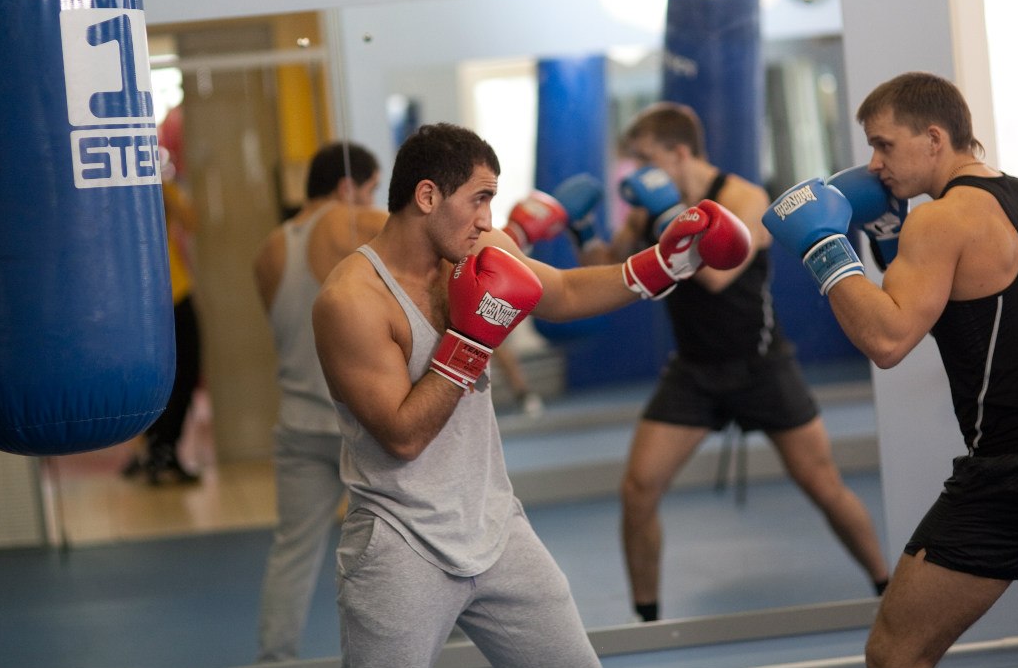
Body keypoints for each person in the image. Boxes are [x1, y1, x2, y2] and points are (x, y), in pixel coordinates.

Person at [311, 122, 752, 667]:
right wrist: (469, 341)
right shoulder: (352, 301)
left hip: (496, 528)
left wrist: (664, 265)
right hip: (401, 544)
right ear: (427, 196)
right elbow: (403, 437)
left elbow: (562, 291)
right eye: (479, 200)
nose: (488, 221)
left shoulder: (476, 249)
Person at [763, 72, 1018, 668]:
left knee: (895, 653)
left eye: (884, 144)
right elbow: (965, 307)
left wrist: (823, 246)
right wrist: (889, 241)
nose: (873, 165)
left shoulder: (939, 220)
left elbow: (887, 340)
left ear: (934, 138)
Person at [571, 101, 890, 623]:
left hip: (761, 364)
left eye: (647, 159)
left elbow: (719, 273)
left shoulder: (744, 196)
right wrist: (583, 231)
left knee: (822, 484)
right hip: (694, 369)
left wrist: (665, 216)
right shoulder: (646, 206)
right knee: (638, 487)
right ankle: (647, 621)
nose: (640, 175)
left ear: (679, 152)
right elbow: (605, 270)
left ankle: (886, 585)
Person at [252, 141, 387, 663]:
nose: (371, 202)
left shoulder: (268, 250)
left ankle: (275, 658)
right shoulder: (344, 221)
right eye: (371, 189)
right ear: (347, 187)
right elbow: (426, 234)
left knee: (293, 551)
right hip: (359, 421)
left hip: (297, 422)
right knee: (413, 539)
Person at [122, 167, 204, 485]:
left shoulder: (161, 185)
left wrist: (164, 186)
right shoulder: (118, 193)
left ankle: (163, 450)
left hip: (176, 292)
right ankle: (155, 451)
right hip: (144, 301)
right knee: (152, 382)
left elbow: (191, 222)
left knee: (186, 374)